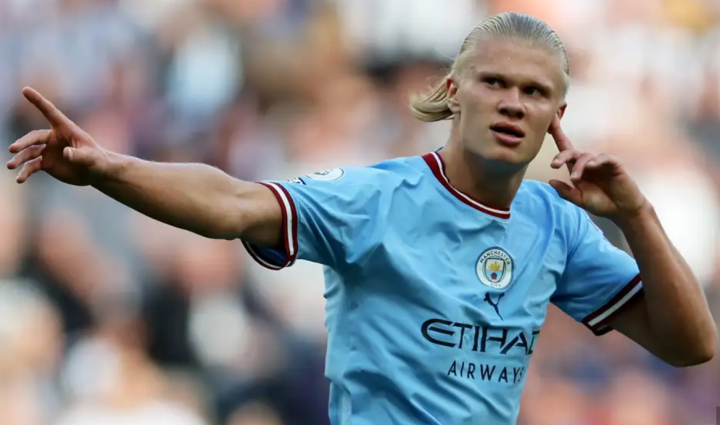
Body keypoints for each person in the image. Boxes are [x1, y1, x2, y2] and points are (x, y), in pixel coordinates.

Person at [6, 12, 717, 425]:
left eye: (533, 92)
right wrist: (110, 168)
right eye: (494, 81)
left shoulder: (555, 224)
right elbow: (233, 202)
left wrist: (637, 212)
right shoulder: (376, 199)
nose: (511, 102)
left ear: (557, 115)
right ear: (453, 91)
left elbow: (691, 344)